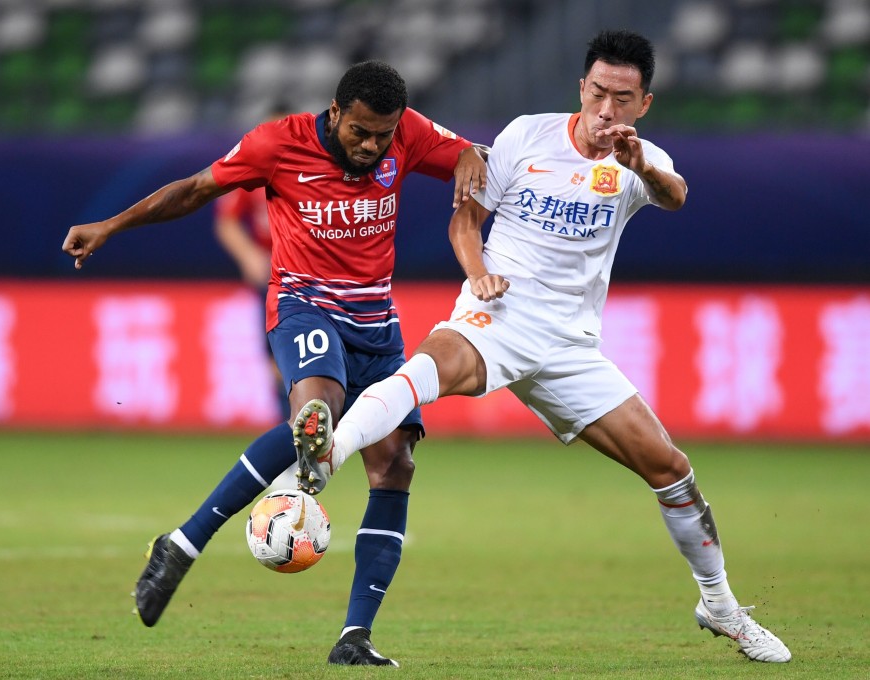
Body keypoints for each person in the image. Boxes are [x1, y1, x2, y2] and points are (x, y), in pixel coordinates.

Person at [294, 31, 792, 664]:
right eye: (598, 92)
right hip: (498, 312)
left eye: (623, 98)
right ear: (581, 89)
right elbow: (466, 218)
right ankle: (325, 454)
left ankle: (719, 605)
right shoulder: (526, 135)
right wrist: (476, 272)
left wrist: (639, 166)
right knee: (430, 365)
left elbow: (676, 196)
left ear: (644, 103)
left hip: (570, 345)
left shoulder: (641, 161)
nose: (607, 110)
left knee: (670, 468)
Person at [61, 60, 487, 667]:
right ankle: (183, 544)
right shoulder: (276, 143)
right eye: (360, 131)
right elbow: (195, 189)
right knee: (317, 411)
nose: (372, 145)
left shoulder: (409, 132)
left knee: (395, 464)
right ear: (335, 112)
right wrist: (112, 225)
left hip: (377, 324)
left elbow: (478, 157)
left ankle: (354, 637)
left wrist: (475, 151)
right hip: (304, 305)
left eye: (383, 136)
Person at [213, 103, 293, 428]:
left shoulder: (317, 170)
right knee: (277, 358)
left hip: (313, 274)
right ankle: (289, 433)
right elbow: (227, 221)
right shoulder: (253, 169)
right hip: (274, 276)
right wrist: (249, 255)